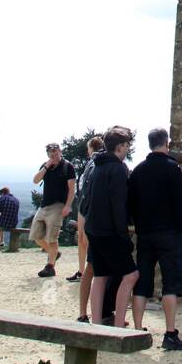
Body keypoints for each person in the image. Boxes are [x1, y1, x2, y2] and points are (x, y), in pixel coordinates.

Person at [129, 128, 182, 350]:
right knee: (170, 284)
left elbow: (131, 203)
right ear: (167, 143)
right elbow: (180, 204)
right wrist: (181, 228)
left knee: (142, 283)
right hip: (169, 234)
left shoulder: (138, 171)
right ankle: (170, 333)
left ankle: (136, 330)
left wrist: (139, 225)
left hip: (145, 234)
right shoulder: (173, 169)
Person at [84, 125, 139, 327]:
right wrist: (123, 235)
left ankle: (97, 323)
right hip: (110, 231)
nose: (127, 150)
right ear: (120, 147)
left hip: (93, 228)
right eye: (126, 146)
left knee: (100, 275)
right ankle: (118, 324)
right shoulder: (117, 168)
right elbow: (118, 204)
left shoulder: (97, 166)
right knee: (131, 274)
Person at [68, 136, 105, 322]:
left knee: (90, 262)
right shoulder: (104, 164)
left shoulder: (92, 165)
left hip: (88, 214)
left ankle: (86, 313)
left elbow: (83, 193)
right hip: (97, 218)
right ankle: (100, 314)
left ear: (91, 149)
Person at [30, 142, 76, 277]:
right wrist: (46, 166)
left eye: (56, 153)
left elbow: (72, 189)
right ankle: (54, 253)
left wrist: (68, 206)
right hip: (44, 205)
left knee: (52, 238)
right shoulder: (46, 166)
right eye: (51, 153)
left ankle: (50, 267)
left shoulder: (68, 167)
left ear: (60, 152)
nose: (54, 155)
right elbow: (35, 180)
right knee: (36, 236)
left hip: (58, 205)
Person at [0, 186, 20, 252]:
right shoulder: (16, 199)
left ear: (2, 194)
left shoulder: (2, 198)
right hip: (14, 223)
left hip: (3, 223)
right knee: (2, 221)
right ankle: (2, 241)